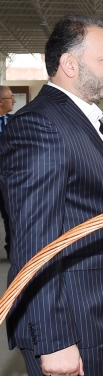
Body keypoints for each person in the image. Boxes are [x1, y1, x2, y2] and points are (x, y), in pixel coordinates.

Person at [0, 15, 103, 376]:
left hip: (92, 314)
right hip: (68, 321)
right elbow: (34, 242)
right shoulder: (40, 127)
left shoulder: (79, 119)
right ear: (69, 65)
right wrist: (55, 341)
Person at [0, 85, 16, 257]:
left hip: (7, 180)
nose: (13, 100)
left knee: (11, 216)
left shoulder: (15, 122)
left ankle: (12, 250)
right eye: (10, 97)